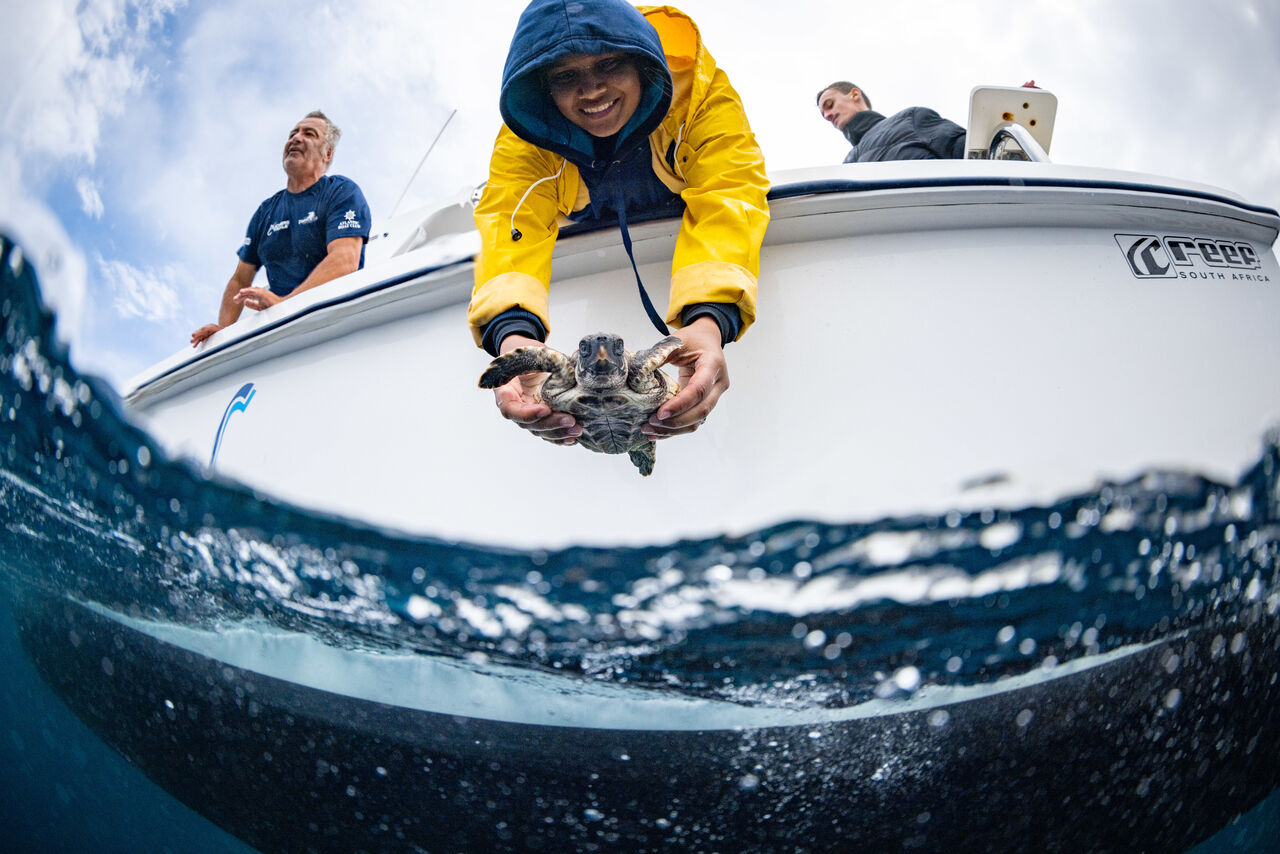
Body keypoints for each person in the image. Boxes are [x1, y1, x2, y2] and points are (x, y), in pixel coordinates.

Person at [469, 0, 769, 448]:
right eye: (565, 76)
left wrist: (707, 322)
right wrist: (513, 340)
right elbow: (511, 223)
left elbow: (729, 191)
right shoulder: (525, 134)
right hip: (589, 212)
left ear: (641, 64)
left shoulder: (699, 92)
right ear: (543, 89)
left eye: (608, 64)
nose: (591, 89)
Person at [190, 111, 371, 347]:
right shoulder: (266, 211)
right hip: (279, 334)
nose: (295, 138)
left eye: (309, 134)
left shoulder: (341, 191)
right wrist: (224, 330)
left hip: (333, 326)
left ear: (327, 153)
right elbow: (240, 278)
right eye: (293, 133)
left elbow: (345, 259)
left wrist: (284, 303)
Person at [815, 82, 966, 163]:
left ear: (854, 95)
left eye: (830, 105)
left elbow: (969, 152)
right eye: (824, 115)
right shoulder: (847, 165)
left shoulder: (910, 119)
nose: (828, 115)